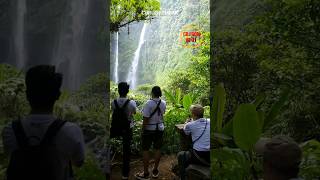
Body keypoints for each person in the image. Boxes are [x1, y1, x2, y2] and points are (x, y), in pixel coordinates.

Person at [2, 65, 85, 180]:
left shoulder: (9, 131)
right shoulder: (71, 131)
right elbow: (79, 162)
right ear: (58, 95)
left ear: (27, 94)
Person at [135, 86, 166, 180]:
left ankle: (145, 173)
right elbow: (162, 114)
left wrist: (142, 130)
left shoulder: (148, 103)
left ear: (152, 93)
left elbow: (145, 119)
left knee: (145, 150)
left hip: (149, 129)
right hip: (160, 128)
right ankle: (155, 171)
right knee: (158, 149)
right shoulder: (163, 102)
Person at [110, 82, 137, 179]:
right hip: (127, 129)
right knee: (126, 151)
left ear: (118, 90)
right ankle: (125, 174)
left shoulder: (113, 102)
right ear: (128, 91)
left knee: (109, 146)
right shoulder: (131, 103)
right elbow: (134, 113)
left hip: (115, 128)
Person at [177, 104, 210, 180]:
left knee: (181, 155)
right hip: (210, 155)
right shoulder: (209, 121)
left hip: (199, 155)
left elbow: (186, 132)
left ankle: (182, 177)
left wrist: (187, 123)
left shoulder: (190, 125)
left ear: (193, 114)